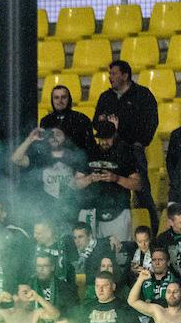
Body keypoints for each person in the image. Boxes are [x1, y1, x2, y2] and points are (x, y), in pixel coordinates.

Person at [92, 60, 160, 231]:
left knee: (141, 191)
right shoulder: (105, 97)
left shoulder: (142, 94)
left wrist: (140, 141)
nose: (110, 77)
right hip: (108, 150)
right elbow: (96, 122)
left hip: (132, 149)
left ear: (125, 75)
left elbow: (152, 121)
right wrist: (106, 128)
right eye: (110, 74)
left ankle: (151, 231)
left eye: (114, 73)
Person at [74, 120, 142, 246]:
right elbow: (76, 184)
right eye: (101, 138)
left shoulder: (125, 153)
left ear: (114, 136)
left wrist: (116, 178)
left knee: (119, 251)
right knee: (89, 254)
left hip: (118, 210)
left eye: (108, 138)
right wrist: (90, 178)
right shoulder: (89, 152)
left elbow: (137, 184)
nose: (104, 142)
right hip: (92, 211)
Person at [39, 85, 93, 153]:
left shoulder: (82, 119)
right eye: (56, 98)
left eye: (63, 97)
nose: (60, 101)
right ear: (52, 100)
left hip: (76, 160)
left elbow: (90, 147)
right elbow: (43, 147)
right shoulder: (45, 121)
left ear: (69, 99)